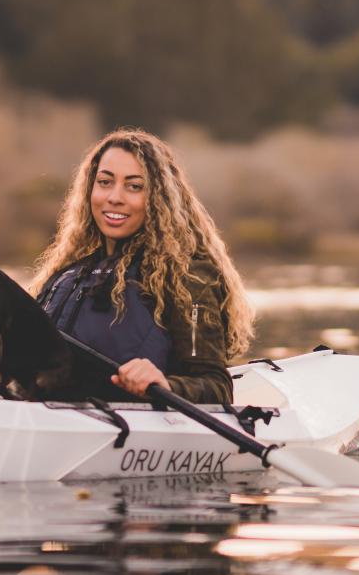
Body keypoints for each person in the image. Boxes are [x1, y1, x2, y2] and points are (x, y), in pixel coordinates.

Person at [29, 130, 254, 404]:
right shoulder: (70, 273)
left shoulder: (188, 277)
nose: (115, 197)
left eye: (134, 186)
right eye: (105, 182)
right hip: (48, 414)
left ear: (158, 199)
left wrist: (166, 384)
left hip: (134, 429)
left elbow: (216, 387)